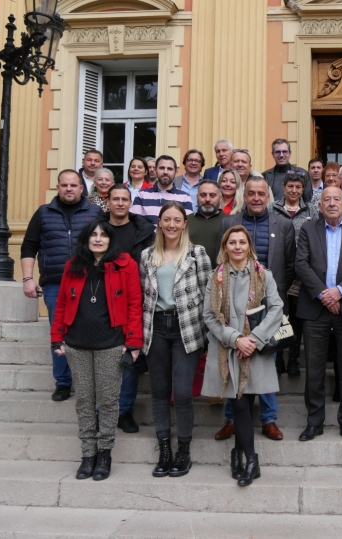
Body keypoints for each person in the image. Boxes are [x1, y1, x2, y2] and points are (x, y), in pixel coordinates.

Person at [51, 220, 143, 481]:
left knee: (107, 400)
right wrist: (57, 338)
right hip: (77, 344)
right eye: (93, 235)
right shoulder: (73, 265)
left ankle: (104, 453)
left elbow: (135, 304)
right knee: (83, 401)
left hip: (111, 343)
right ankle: (87, 454)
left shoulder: (125, 265)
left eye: (104, 235)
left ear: (111, 240)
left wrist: (133, 342)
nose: (98, 239)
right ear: (86, 239)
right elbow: (60, 304)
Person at [213, 176, 296, 442]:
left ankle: (269, 419)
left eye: (262, 193)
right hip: (233, 307)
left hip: (268, 306)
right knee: (233, 363)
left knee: (266, 362)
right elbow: (222, 262)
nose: (257, 198)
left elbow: (291, 263)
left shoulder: (283, 224)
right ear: (244, 195)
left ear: (268, 196)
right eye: (252, 193)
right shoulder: (229, 222)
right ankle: (232, 419)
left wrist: (273, 295)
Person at [203, 226, 283, 486]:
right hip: (228, 350)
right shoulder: (215, 277)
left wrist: (253, 339)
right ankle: (251, 460)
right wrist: (235, 339)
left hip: (255, 349)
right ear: (225, 247)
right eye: (232, 242)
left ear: (249, 245)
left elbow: (276, 308)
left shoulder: (263, 275)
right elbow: (209, 316)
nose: (237, 247)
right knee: (238, 404)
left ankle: (239, 454)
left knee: (246, 404)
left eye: (242, 242)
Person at [140, 201, 211, 478]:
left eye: (177, 220)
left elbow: (208, 295)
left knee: (181, 393)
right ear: (159, 223)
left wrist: (207, 333)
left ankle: (183, 450)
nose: (171, 224)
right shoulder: (147, 255)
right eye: (166, 219)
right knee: (158, 392)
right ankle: (165, 449)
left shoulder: (197, 253)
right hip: (155, 327)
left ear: (184, 224)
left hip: (186, 328)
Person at [295, 187, 342, 443]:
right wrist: (323, 295)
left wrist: (339, 292)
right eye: (326, 199)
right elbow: (301, 264)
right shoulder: (308, 229)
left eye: (336, 199)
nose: (331, 203)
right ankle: (314, 422)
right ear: (319, 206)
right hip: (315, 309)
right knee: (314, 370)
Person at [21, 170, 103, 401]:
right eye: (64, 185)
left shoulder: (94, 212)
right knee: (59, 332)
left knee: (90, 330)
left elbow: (104, 243)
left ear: (81, 188)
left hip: (89, 282)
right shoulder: (43, 213)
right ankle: (64, 382)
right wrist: (28, 279)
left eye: (73, 185)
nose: (69, 189)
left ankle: (89, 379)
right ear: (58, 187)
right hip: (55, 283)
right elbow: (29, 245)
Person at [107, 184, 156, 433]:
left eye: (124, 199)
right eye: (115, 199)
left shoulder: (144, 230)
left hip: (135, 300)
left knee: (131, 359)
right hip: (102, 301)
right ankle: (102, 411)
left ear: (130, 202)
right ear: (108, 201)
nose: (120, 203)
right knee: (104, 361)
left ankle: (124, 411)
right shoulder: (98, 230)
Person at [271, 172, 319, 376]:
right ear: (283, 186)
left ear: (303, 189)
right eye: (290, 186)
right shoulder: (273, 209)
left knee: (297, 318)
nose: (294, 190)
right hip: (278, 271)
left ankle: (293, 358)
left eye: (298, 187)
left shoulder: (311, 210)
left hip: (302, 272)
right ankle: (279, 357)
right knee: (281, 316)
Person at [131, 155, 193, 225]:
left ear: (176, 173)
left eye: (169, 169)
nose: (165, 172)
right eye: (162, 168)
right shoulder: (141, 195)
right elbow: (136, 224)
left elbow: (187, 226)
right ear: (155, 171)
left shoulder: (185, 198)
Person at [187, 180, 226, 265]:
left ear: (220, 198)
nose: (207, 199)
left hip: (221, 275)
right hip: (191, 275)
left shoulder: (229, 222)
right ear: (197, 197)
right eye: (203, 195)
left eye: (212, 195)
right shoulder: (186, 221)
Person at [263, 138, 312, 203]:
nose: (281, 155)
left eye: (284, 152)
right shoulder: (265, 176)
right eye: (277, 152)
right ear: (272, 154)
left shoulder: (303, 174)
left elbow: (307, 201)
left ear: (290, 153)